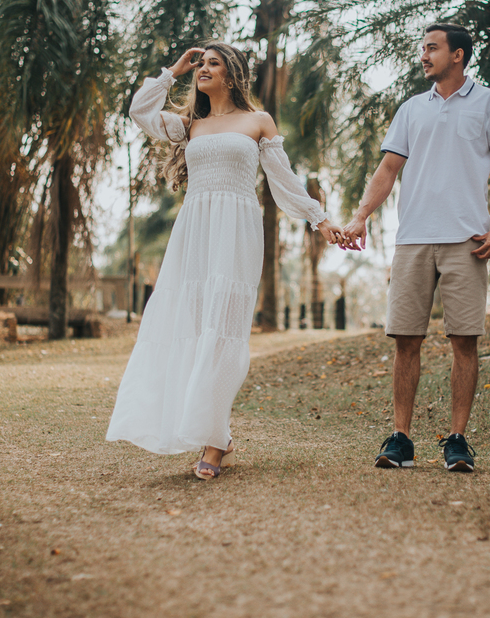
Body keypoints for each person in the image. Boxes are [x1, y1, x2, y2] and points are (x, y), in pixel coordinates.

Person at [106, 42, 344, 479]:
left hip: (237, 229)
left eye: (212, 64)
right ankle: (219, 434)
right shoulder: (189, 125)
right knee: (198, 330)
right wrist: (173, 71)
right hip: (195, 231)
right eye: (201, 63)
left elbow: (284, 180)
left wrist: (320, 218)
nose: (203, 69)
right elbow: (139, 111)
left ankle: (214, 444)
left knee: (224, 333)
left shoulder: (258, 121)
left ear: (232, 75)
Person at [341, 23, 490, 472]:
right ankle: (401, 439)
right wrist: (361, 216)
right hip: (413, 239)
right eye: (423, 48)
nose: (424, 55)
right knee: (406, 340)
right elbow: (387, 169)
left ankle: (457, 440)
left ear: (457, 55)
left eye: (432, 48)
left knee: (464, 341)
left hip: (468, 241)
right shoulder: (411, 109)